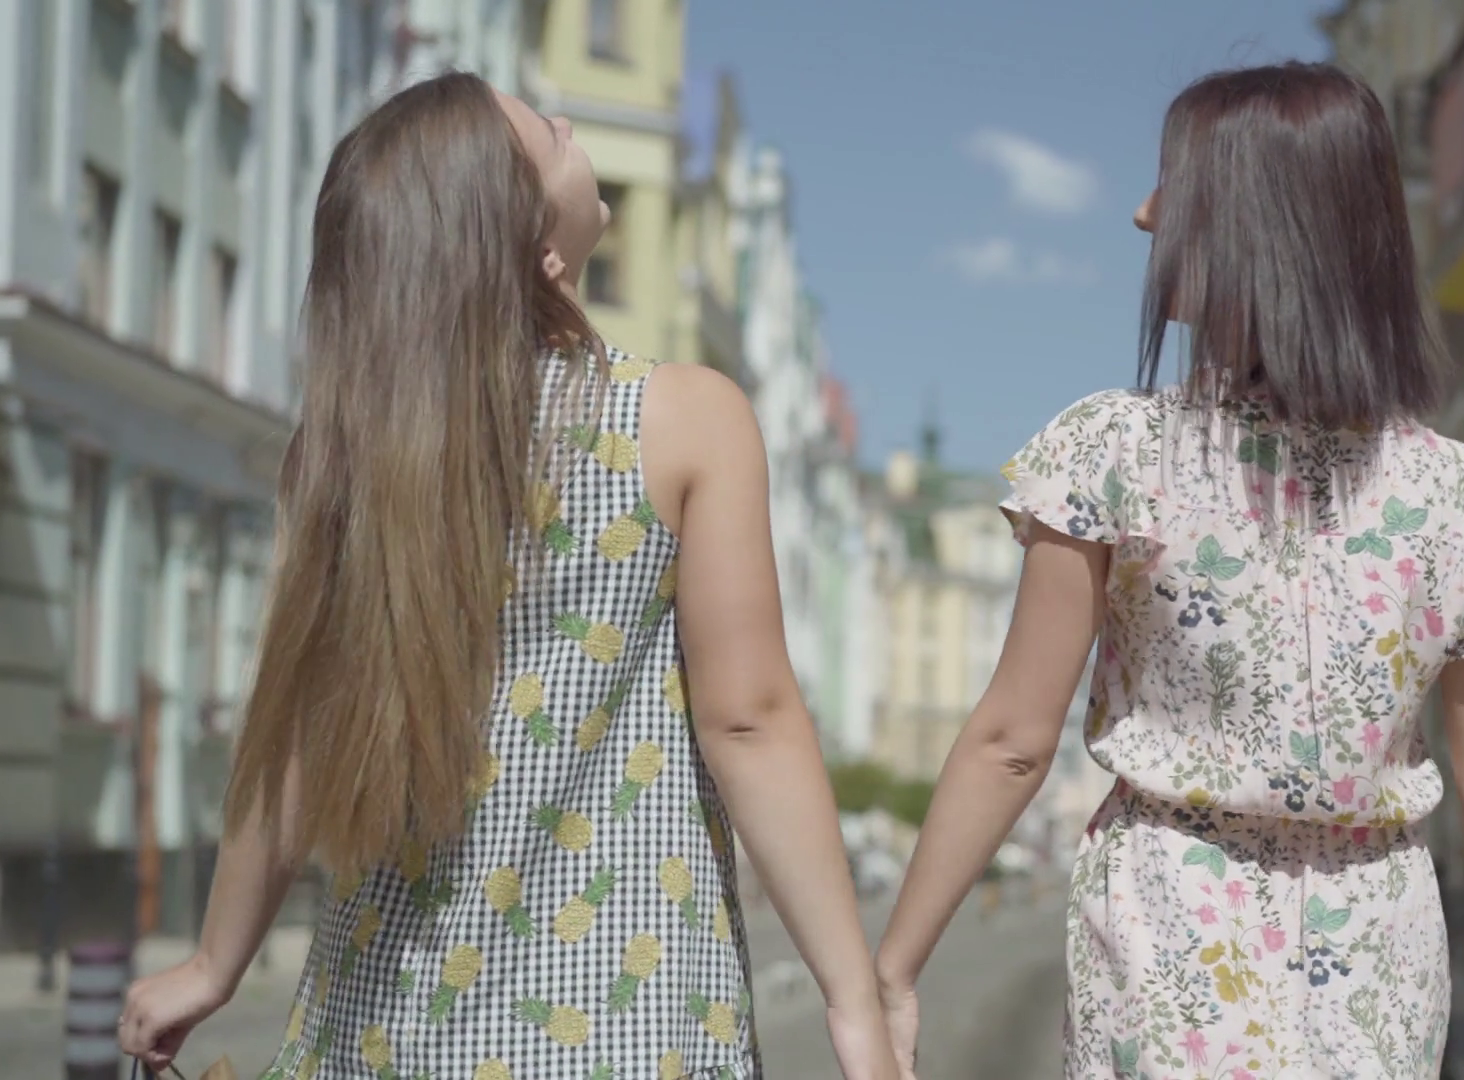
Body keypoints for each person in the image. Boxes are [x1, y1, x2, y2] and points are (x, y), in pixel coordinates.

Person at [116, 72, 897, 1080]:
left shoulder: (344, 456)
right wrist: (854, 1001)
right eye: (548, 136)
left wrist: (214, 965)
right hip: (626, 1028)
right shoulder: (682, 420)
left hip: (385, 1027)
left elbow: (296, 722)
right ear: (538, 248)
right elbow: (749, 721)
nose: (570, 123)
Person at [872, 63, 1464, 1080]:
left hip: (1171, 944)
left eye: (1176, 188)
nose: (1145, 215)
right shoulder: (1460, 498)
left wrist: (892, 972)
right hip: (1379, 968)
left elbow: (1014, 742)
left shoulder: (1116, 456)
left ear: (1260, 225)